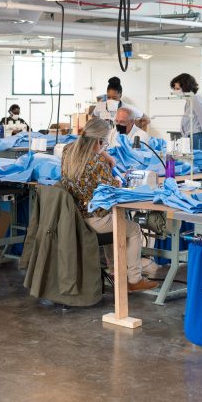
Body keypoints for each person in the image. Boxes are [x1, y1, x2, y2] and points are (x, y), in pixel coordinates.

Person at [59, 118, 158, 292]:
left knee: (113, 221)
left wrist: (105, 154)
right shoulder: (97, 164)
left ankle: (115, 271)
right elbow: (114, 189)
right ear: (99, 141)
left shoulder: (68, 152)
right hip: (94, 220)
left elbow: (89, 151)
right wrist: (119, 178)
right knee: (133, 229)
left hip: (75, 216)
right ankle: (134, 280)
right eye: (104, 143)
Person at [171, 73, 202, 152]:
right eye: (174, 89)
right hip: (190, 136)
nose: (175, 91)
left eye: (177, 89)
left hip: (197, 136)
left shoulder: (196, 99)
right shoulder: (189, 101)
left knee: (196, 160)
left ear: (186, 87)